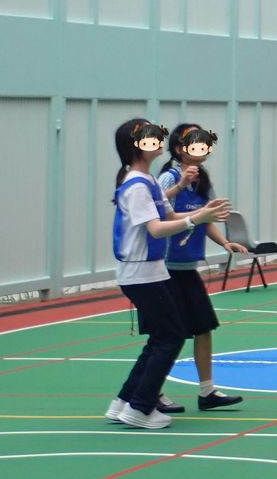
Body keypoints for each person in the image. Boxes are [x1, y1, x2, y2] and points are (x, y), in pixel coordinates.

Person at [105, 119, 230, 429]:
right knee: (171, 337)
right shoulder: (137, 186)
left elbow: (171, 214)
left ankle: (124, 402)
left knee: (162, 337)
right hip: (140, 273)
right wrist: (197, 219)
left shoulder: (148, 181)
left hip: (151, 271)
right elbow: (157, 229)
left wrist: (204, 214)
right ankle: (141, 408)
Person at [153, 124, 247, 412]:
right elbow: (156, 209)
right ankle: (152, 392)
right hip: (165, 268)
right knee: (167, 335)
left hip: (188, 267)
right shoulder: (169, 176)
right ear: (179, 149)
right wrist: (181, 186)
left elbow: (206, 219)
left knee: (203, 328)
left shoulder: (202, 179)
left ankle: (207, 392)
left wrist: (225, 242)